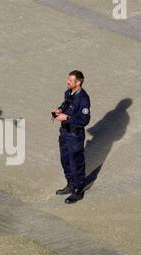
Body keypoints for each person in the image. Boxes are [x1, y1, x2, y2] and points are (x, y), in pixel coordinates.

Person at [52, 70, 91, 204]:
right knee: (65, 160)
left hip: (75, 136)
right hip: (64, 133)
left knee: (76, 162)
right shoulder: (68, 92)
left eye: (70, 80)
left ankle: (78, 190)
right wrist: (59, 110)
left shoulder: (84, 99)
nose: (67, 82)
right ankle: (70, 184)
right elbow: (66, 105)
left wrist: (67, 118)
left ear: (78, 82)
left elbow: (84, 120)